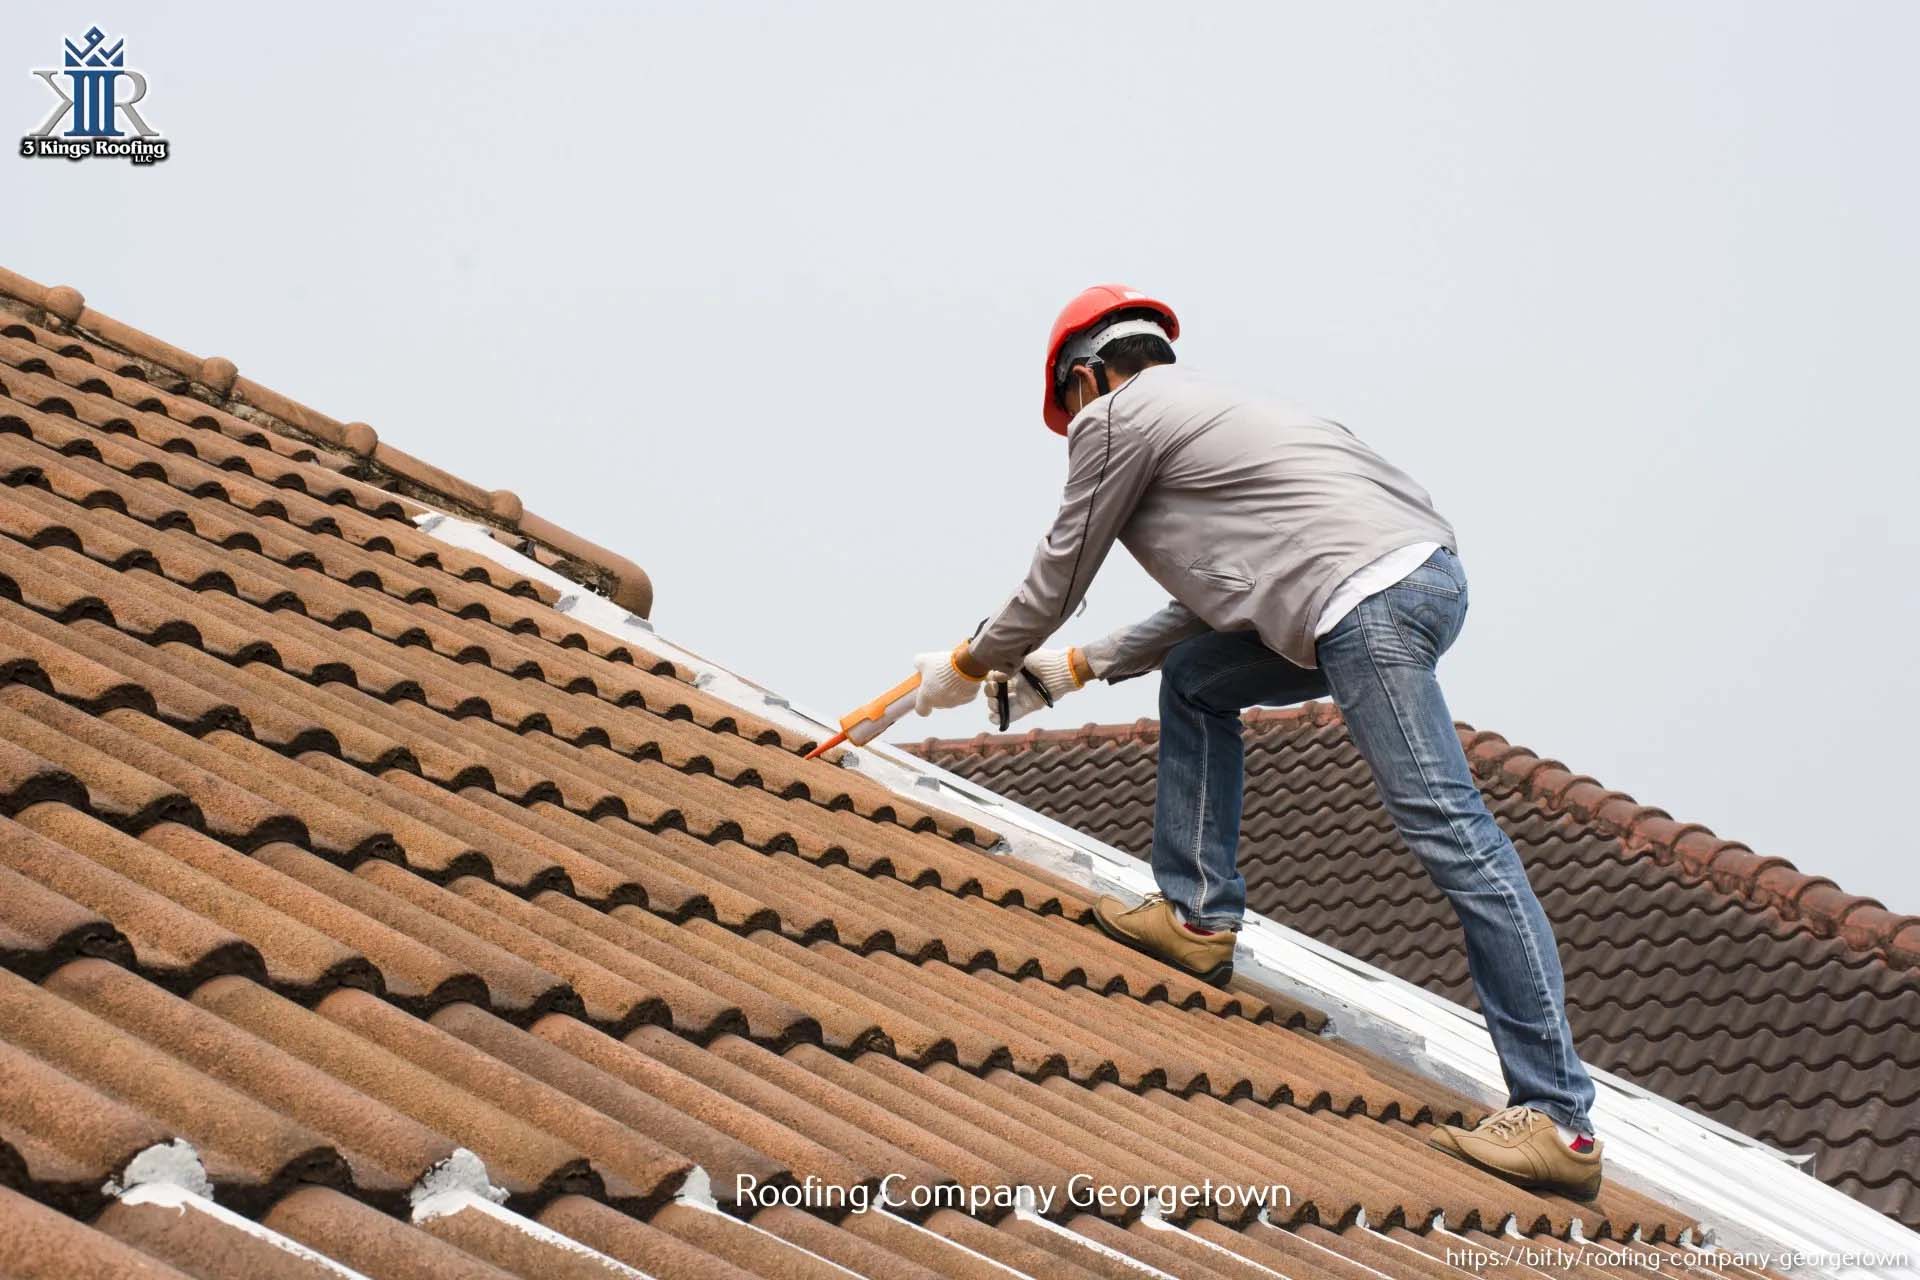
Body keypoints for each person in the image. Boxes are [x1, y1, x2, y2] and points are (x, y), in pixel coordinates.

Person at [908, 284, 1604, 1199]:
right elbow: (1209, 605)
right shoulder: (1227, 414)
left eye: (1072, 406)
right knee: (1199, 681)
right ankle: (1197, 914)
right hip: (1416, 583)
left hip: (1361, 603)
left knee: (1453, 831)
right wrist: (1071, 671)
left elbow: (1059, 574)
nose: (1075, 427)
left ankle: (1558, 1118)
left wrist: (970, 660)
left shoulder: (1116, 419)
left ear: (1086, 377)